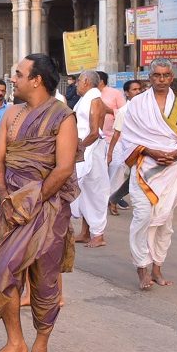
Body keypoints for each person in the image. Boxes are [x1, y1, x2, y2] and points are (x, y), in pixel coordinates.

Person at [0, 54, 79, 352]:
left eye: (18, 74)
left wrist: (31, 203)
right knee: (3, 274)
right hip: (11, 207)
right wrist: (6, 198)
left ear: (36, 80)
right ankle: (15, 341)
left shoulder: (64, 117)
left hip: (46, 208)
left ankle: (41, 347)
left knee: (44, 279)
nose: (13, 79)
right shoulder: (12, 113)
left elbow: (63, 169)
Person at [116, 59, 177, 290]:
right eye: (157, 75)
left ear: (172, 77)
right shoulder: (138, 103)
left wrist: (175, 154)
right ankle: (141, 267)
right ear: (149, 78)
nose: (161, 79)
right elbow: (128, 138)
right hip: (144, 167)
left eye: (166, 75)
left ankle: (157, 268)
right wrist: (151, 151)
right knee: (142, 216)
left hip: (171, 169)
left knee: (164, 222)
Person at [71, 70, 109, 247]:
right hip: (86, 149)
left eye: (78, 81)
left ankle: (98, 235)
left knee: (95, 192)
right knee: (85, 191)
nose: (76, 84)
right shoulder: (90, 98)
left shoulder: (94, 100)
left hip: (91, 150)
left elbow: (94, 132)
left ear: (86, 81)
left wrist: (80, 147)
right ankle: (86, 233)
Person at [107, 80, 142, 216]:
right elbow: (117, 134)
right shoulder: (123, 111)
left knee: (138, 176)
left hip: (147, 148)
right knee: (137, 176)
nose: (138, 92)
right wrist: (110, 153)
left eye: (139, 89)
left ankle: (114, 199)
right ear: (127, 93)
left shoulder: (147, 107)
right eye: (134, 89)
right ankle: (115, 198)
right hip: (130, 150)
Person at [97, 71, 126, 144]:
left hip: (113, 139)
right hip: (95, 138)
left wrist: (109, 110)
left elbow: (124, 113)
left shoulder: (115, 93)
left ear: (101, 81)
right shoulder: (90, 95)